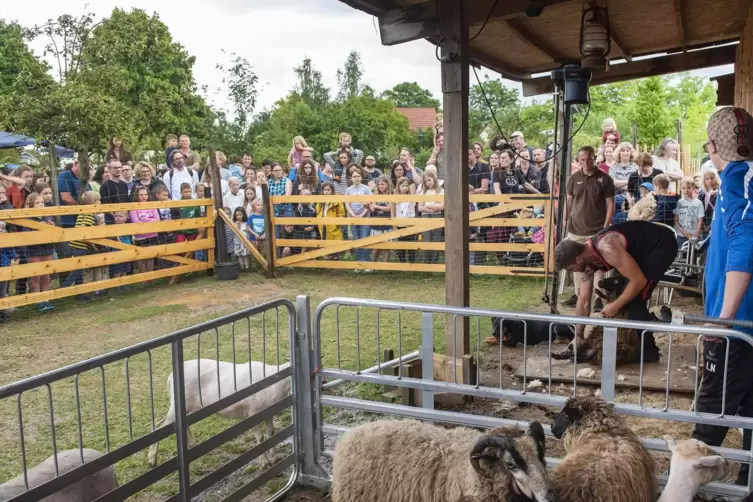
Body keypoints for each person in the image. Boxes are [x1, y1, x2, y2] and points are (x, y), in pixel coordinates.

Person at [690, 107, 753, 486]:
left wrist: (722, 318)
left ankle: (683, 489)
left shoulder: (738, 180)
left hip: (738, 327)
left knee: (709, 418)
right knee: (749, 413)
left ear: (714, 145)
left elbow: (745, 244)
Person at [555, 219, 677, 361]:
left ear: (578, 259)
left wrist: (615, 305)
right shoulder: (584, 261)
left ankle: (648, 351)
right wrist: (579, 336)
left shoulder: (608, 248)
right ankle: (635, 341)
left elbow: (639, 281)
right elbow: (583, 301)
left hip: (661, 244)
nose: (572, 272)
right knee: (620, 290)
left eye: (571, 269)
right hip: (640, 249)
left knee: (634, 297)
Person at [561, 146, 615, 311]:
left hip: (597, 229)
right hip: (576, 229)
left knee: (598, 263)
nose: (586, 162)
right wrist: (565, 219)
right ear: (578, 161)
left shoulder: (605, 179)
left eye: (589, 159)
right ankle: (580, 296)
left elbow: (610, 203)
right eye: (582, 159)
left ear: (595, 158)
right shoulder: (573, 179)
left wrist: (606, 226)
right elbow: (569, 201)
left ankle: (598, 297)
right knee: (578, 263)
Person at [21, 193, 56, 313]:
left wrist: (51, 226)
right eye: (37, 203)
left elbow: (53, 230)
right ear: (30, 205)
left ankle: (46, 299)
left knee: (46, 274)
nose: (41, 205)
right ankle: (37, 300)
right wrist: (39, 227)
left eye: (42, 202)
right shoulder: (28, 218)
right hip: (34, 249)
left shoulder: (48, 216)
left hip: (47, 247)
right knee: (36, 276)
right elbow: (26, 233)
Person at [344, 168, 372, 268]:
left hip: (364, 218)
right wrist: (353, 215)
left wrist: (362, 215)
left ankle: (366, 264)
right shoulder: (348, 190)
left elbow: (369, 203)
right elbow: (347, 204)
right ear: (351, 178)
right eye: (354, 176)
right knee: (356, 240)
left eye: (358, 176)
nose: (356, 178)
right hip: (353, 218)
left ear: (361, 177)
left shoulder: (366, 189)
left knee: (364, 239)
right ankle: (359, 263)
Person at [417, 171, 444, 264]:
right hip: (425, 216)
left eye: (429, 180)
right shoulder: (422, 192)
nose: (428, 182)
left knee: (436, 239)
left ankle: (434, 262)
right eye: (426, 181)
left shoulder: (441, 191)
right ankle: (426, 263)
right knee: (426, 239)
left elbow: (441, 206)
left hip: (437, 216)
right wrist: (432, 208)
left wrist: (428, 206)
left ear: (434, 179)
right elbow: (420, 207)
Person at [674, 176, 705, 248]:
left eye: (688, 188)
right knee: (680, 256)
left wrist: (696, 234)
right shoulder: (678, 202)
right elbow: (676, 220)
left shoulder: (699, 203)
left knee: (692, 256)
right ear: (680, 189)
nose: (686, 190)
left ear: (693, 187)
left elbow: (700, 220)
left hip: (694, 236)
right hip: (681, 235)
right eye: (683, 188)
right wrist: (683, 232)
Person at [99, 158, 130, 224]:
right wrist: (116, 217)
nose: (118, 169)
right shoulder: (104, 186)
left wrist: (124, 217)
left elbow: (126, 201)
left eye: (120, 167)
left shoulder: (124, 185)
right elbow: (104, 205)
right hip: (111, 221)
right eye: (115, 168)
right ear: (109, 169)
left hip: (124, 221)